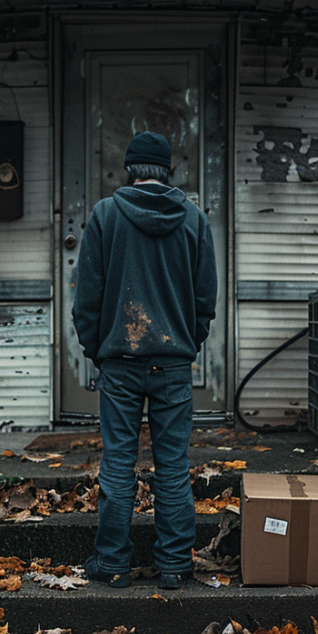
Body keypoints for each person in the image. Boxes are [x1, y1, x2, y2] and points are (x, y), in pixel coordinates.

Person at [72, 130, 217, 590]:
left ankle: (113, 564)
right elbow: (204, 298)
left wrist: (97, 349)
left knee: (118, 462)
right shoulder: (193, 219)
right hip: (173, 363)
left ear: (130, 170)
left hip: (120, 361)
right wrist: (187, 343)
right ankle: (174, 565)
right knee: (172, 465)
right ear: (167, 171)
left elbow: (87, 297)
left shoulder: (105, 216)